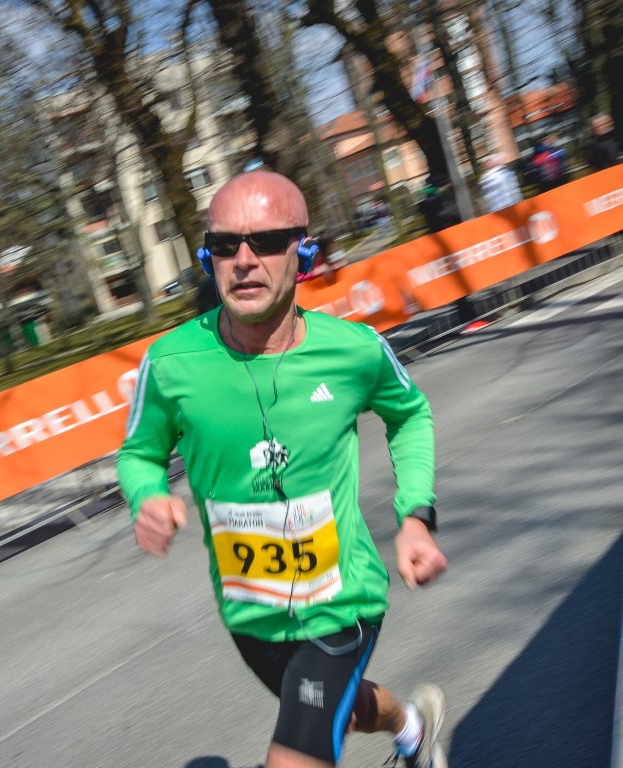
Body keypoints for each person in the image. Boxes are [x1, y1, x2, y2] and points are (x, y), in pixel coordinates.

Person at [117, 170, 449, 768]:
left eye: (267, 242)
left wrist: (416, 516)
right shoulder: (170, 364)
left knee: (298, 750)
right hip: (248, 610)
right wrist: (146, 496)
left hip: (341, 600)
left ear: (304, 253)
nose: (244, 260)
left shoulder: (354, 350)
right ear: (207, 258)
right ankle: (411, 727)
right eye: (225, 245)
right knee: (340, 711)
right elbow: (139, 453)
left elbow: (410, 416)